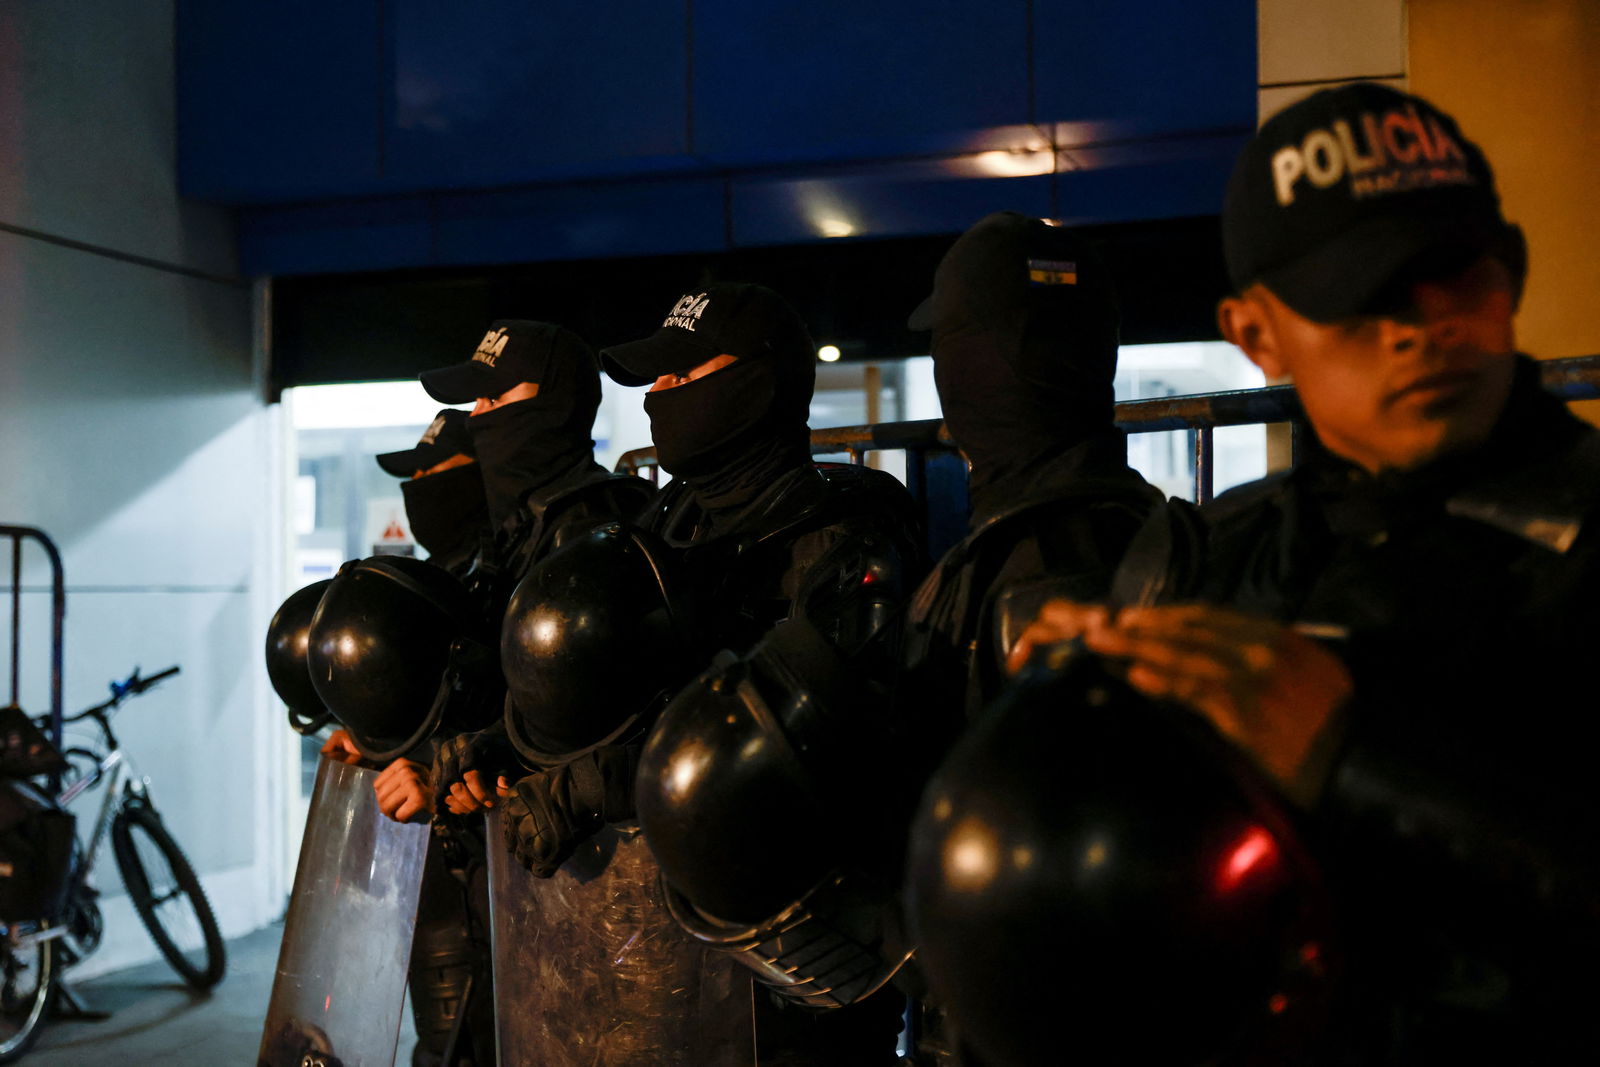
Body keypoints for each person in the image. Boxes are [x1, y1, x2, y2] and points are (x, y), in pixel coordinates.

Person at [1003, 83, 1600, 1061]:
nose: (1419, 326)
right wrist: (1050, 753)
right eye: (1358, 295)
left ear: (1512, 274)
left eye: (1454, 272)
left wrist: (1358, 760)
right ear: (1256, 335)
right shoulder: (1196, 566)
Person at [441, 282, 924, 1064]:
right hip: (670, 951)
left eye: (682, 374)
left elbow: (777, 738)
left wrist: (586, 785)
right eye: (656, 379)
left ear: (757, 384)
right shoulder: (673, 521)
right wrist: (507, 744)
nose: (660, 396)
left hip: (796, 951)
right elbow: (620, 688)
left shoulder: (842, 533)